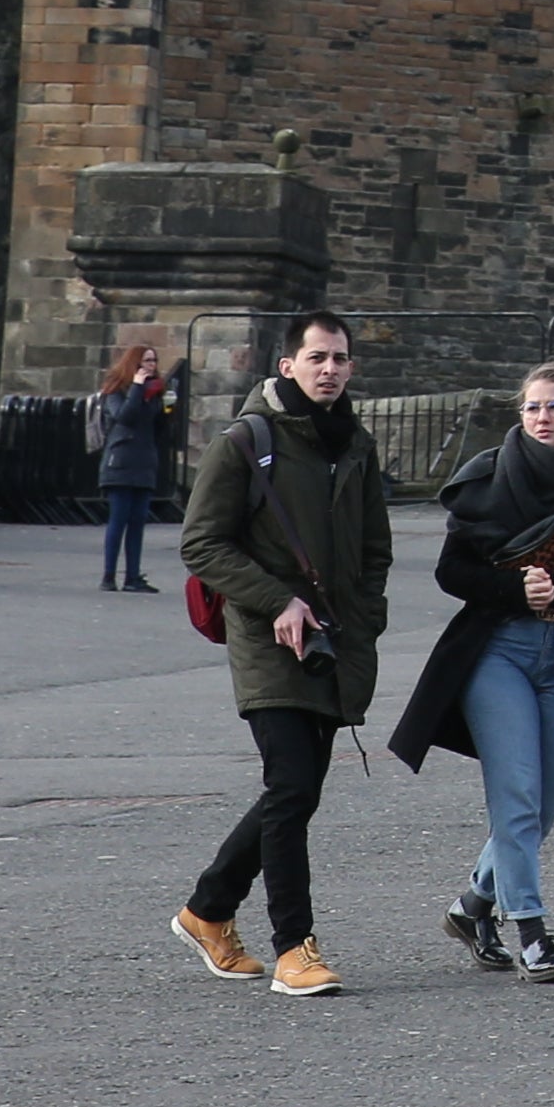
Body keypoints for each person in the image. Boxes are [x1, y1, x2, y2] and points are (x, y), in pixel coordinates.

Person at [391, 357, 554, 984]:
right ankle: (531, 928)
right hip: (496, 652)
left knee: (549, 794)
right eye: (532, 406)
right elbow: (453, 572)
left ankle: (474, 904)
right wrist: (515, 591)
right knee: (517, 791)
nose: (541, 416)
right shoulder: (488, 479)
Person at [174, 308, 393, 998]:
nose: (329, 370)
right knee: (293, 785)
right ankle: (293, 948)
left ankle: (208, 910)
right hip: (270, 637)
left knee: (292, 792)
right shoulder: (247, 441)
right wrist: (279, 602)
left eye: (340, 359)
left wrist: (364, 619)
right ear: (287, 366)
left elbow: (375, 547)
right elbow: (203, 543)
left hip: (333, 641)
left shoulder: (354, 444)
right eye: (317, 358)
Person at [89, 340, 175, 593]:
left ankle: (133, 577)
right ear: (134, 364)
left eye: (154, 361)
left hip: (144, 461)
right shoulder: (115, 391)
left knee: (138, 521)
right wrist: (137, 387)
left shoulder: (154, 393)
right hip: (121, 461)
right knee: (119, 519)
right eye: (147, 361)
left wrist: (167, 408)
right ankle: (108, 576)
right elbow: (125, 417)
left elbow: (159, 431)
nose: (152, 366)